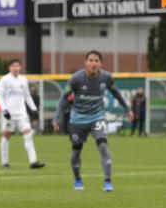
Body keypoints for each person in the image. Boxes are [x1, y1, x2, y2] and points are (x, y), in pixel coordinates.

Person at [53, 51, 133, 192]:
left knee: (103, 146)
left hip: (97, 118)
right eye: (91, 60)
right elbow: (64, 98)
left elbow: (116, 93)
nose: (93, 63)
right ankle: (78, 179)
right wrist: (57, 118)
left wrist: (127, 109)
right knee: (76, 151)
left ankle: (108, 181)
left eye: (96, 60)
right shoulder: (76, 78)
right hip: (77, 120)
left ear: (100, 63)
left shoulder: (106, 77)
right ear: (86, 63)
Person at [0, 59, 45, 170]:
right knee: (6, 136)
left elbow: (27, 96)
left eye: (17, 66)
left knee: (28, 135)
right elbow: (0, 96)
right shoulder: (4, 80)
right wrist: (4, 110)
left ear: (20, 67)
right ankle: (4, 163)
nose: (15, 68)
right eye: (13, 66)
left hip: (22, 113)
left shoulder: (23, 80)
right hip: (9, 113)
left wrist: (33, 109)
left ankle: (33, 162)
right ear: (9, 68)